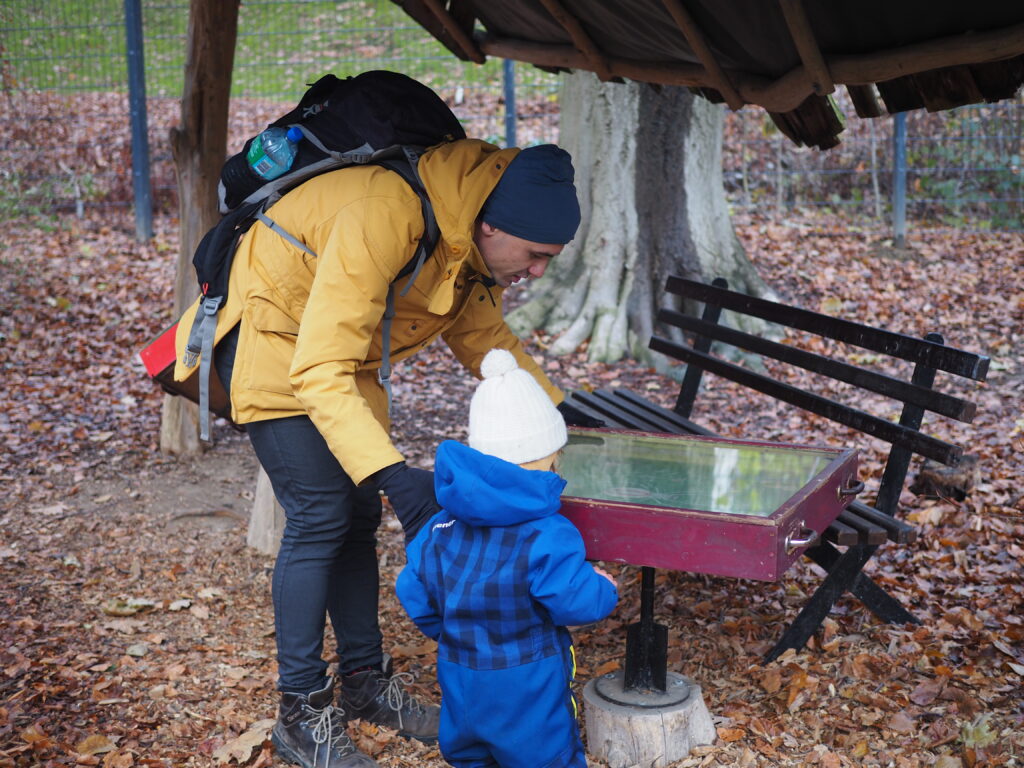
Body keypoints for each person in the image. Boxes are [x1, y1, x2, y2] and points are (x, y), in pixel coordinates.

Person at [172, 139, 601, 768]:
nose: (538, 270)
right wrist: (396, 477)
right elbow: (316, 369)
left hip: (344, 358)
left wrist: (561, 413)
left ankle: (366, 685)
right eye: (536, 255)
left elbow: (483, 335)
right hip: (275, 342)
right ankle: (302, 714)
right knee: (321, 516)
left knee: (360, 520)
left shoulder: (465, 241)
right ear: (492, 225)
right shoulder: (382, 213)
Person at [396, 348, 618, 768]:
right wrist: (603, 587)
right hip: (527, 676)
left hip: (460, 671)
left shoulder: (440, 527)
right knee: (545, 755)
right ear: (552, 456)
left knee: (469, 754)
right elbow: (573, 600)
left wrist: (447, 631)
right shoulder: (549, 534)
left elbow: (410, 586)